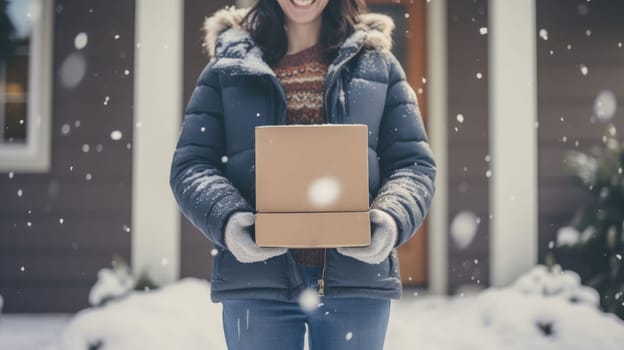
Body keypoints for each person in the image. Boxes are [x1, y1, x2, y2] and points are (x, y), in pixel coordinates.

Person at [169, 0, 436, 349]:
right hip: (257, 285)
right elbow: (191, 165)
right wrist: (229, 220)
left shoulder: (378, 64)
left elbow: (413, 164)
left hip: (354, 282)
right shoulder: (228, 67)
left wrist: (390, 216)